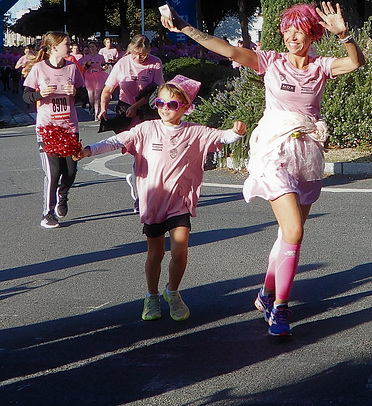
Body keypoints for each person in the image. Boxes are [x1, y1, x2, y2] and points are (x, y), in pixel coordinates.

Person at [161, 1, 365, 336]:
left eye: (298, 30)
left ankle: (266, 294)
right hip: (272, 150)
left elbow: (356, 62)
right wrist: (184, 25)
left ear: (312, 33)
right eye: (287, 30)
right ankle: (281, 309)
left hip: (307, 154)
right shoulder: (271, 61)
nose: (291, 37)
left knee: (290, 233)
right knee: (295, 231)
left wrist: (344, 35)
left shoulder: (321, 66)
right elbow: (224, 48)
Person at [75, 77, 247, 321]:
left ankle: (172, 293)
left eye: (173, 105)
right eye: (160, 103)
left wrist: (238, 132)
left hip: (180, 202)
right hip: (153, 201)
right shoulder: (147, 129)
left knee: (180, 251)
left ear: (186, 108)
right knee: (155, 254)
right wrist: (89, 150)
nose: (165, 109)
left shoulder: (195, 132)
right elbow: (116, 140)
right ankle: (152, 296)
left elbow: (223, 136)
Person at [22, 32, 85, 229]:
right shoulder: (39, 69)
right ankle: (47, 213)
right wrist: (40, 94)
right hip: (47, 127)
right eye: (66, 43)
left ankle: (62, 195)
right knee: (53, 171)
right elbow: (26, 96)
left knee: (71, 170)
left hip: (69, 126)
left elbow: (83, 96)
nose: (70, 46)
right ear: (54, 47)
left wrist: (75, 92)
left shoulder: (72, 68)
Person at [98, 34, 164, 212]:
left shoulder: (155, 63)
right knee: (137, 154)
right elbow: (108, 89)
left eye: (142, 54)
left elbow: (157, 91)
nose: (138, 58)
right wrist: (103, 107)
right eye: (135, 53)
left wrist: (137, 106)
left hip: (146, 110)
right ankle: (137, 185)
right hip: (125, 111)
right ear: (130, 50)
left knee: (146, 154)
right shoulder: (123, 63)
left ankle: (141, 195)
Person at [79, 41, 108, 118]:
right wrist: (87, 65)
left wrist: (104, 67)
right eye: (90, 47)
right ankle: (92, 106)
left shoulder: (100, 57)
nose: (91, 48)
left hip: (99, 76)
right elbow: (83, 69)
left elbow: (103, 65)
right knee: (91, 96)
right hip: (89, 77)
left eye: (93, 46)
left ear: (96, 47)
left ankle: (96, 113)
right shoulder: (86, 57)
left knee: (97, 95)